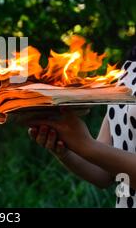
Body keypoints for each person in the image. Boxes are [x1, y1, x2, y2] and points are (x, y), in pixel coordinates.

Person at [25, 47, 136, 208]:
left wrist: (84, 145)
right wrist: (64, 147)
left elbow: (89, 147)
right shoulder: (130, 67)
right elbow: (103, 174)